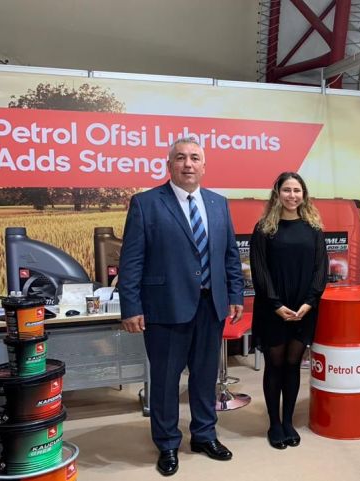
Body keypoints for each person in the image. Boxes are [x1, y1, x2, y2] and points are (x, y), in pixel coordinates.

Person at [119, 137, 244, 477]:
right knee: (165, 380)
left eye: (194, 158)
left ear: (204, 165)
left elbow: (230, 255)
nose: (188, 164)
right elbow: (131, 260)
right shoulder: (146, 203)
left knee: (205, 377)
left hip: (211, 306)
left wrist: (235, 295)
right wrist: (131, 306)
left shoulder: (218, 203)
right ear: (169, 164)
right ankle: (167, 443)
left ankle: (204, 435)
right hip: (165, 307)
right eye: (180, 158)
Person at [249, 172, 328, 450]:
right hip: (273, 308)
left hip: (304, 308)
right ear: (277, 193)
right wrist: (276, 305)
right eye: (287, 190)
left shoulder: (313, 228)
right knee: (275, 365)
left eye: (297, 190)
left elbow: (321, 269)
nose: (292, 195)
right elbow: (259, 270)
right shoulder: (264, 228)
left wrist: (309, 302)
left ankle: (288, 421)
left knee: (293, 365)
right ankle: (274, 423)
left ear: (304, 195)